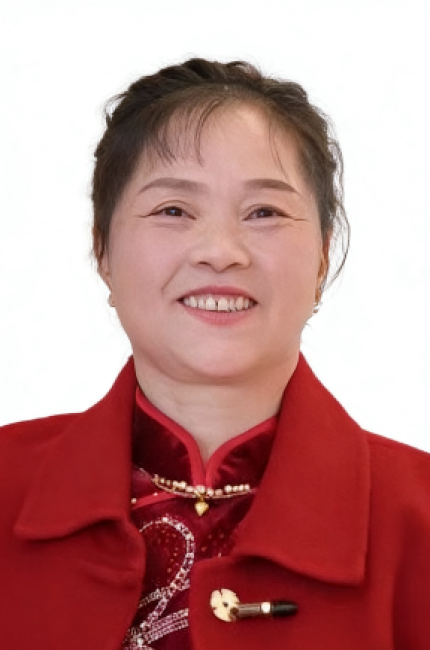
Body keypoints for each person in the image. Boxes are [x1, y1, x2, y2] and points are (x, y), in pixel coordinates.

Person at [0, 57, 429, 650]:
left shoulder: (417, 519)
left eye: (264, 213)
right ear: (102, 250)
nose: (221, 251)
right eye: (173, 210)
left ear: (322, 257)